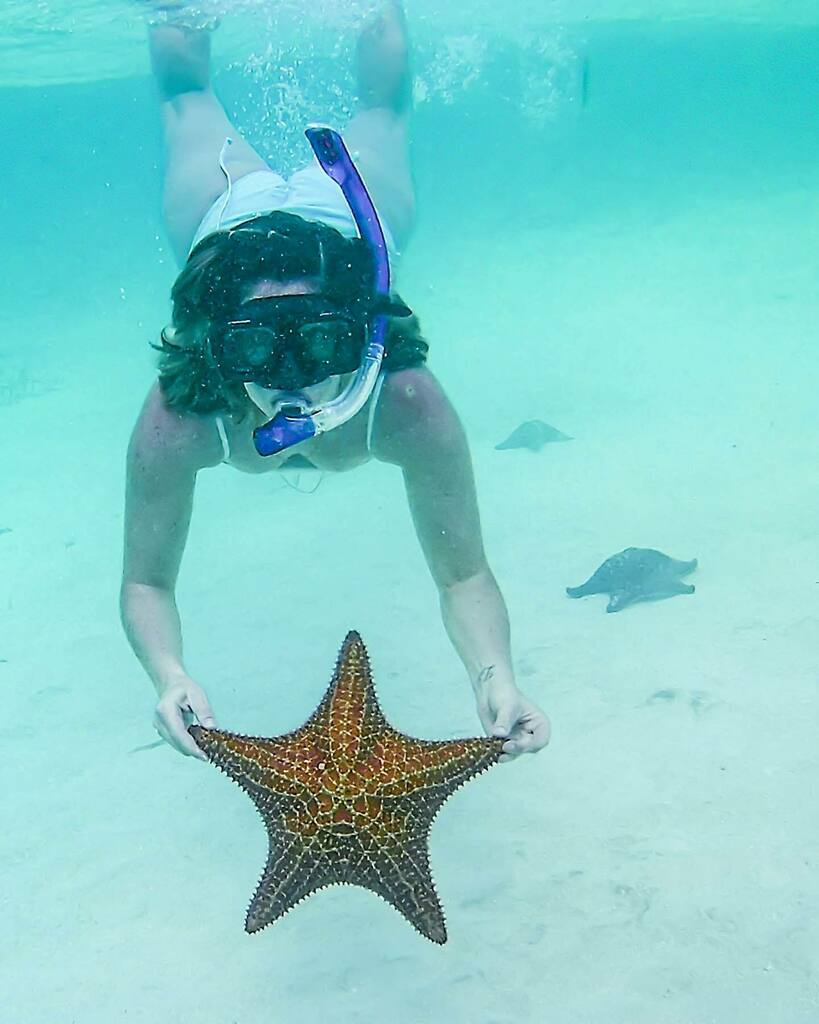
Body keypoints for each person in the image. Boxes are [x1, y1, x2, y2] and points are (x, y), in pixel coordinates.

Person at [121, 2, 550, 765]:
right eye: (256, 347)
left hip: (347, 220)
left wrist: (497, 679)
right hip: (225, 218)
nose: (293, 375)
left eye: (321, 343)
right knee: (183, 93)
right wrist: (169, 673)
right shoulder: (184, 414)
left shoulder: (404, 400)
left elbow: (464, 574)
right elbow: (147, 584)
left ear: (362, 337)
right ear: (220, 347)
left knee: (383, 104)